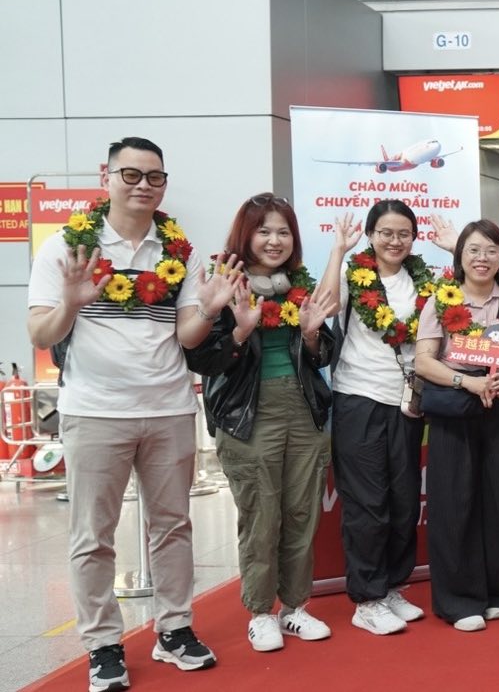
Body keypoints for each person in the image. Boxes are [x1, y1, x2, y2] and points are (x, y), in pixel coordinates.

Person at [27, 137, 226, 690]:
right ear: (107, 177)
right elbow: (40, 332)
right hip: (95, 411)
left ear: (164, 183)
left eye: (154, 177)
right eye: (131, 175)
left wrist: (210, 310)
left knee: (173, 527)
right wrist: (71, 302)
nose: (143, 186)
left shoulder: (179, 251)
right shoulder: (68, 248)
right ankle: (103, 644)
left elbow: (186, 336)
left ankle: (174, 630)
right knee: (93, 534)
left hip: (168, 407)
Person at [186, 194, 340, 652]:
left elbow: (323, 354)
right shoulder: (223, 284)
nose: (275, 240)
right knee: (261, 516)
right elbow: (202, 359)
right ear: (245, 235)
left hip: (304, 409)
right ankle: (260, 612)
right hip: (248, 415)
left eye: (283, 231)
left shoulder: (298, 285)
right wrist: (240, 330)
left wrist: (310, 333)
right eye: (264, 231)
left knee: (302, 512)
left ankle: (295, 607)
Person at [414, 219, 499, 631]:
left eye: (491, 250)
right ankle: (460, 600)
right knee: (455, 502)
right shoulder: (441, 300)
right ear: (460, 256)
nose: (482, 258)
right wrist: (469, 383)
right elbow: (424, 361)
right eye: (474, 250)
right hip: (456, 407)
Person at [320, 202, 435, 636]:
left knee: (403, 500)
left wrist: (453, 247)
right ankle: (367, 599)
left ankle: (391, 587)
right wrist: (337, 251)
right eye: (386, 232)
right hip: (359, 398)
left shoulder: (422, 280)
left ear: (414, 238)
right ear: (370, 235)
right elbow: (325, 306)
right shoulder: (354, 275)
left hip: (406, 402)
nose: (394, 241)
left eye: (404, 233)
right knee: (367, 503)